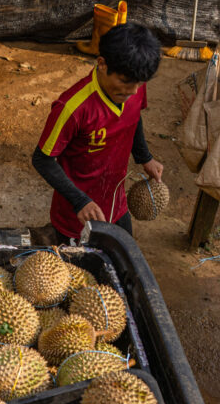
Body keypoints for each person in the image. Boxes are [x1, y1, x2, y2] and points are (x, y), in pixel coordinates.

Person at [32, 23, 164, 242]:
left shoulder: (134, 85)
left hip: (116, 203)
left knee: (122, 263)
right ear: (102, 64)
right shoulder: (72, 108)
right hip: (78, 216)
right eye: (125, 81)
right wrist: (79, 201)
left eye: (140, 83)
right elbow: (42, 159)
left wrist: (145, 157)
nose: (132, 91)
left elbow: (133, 119)